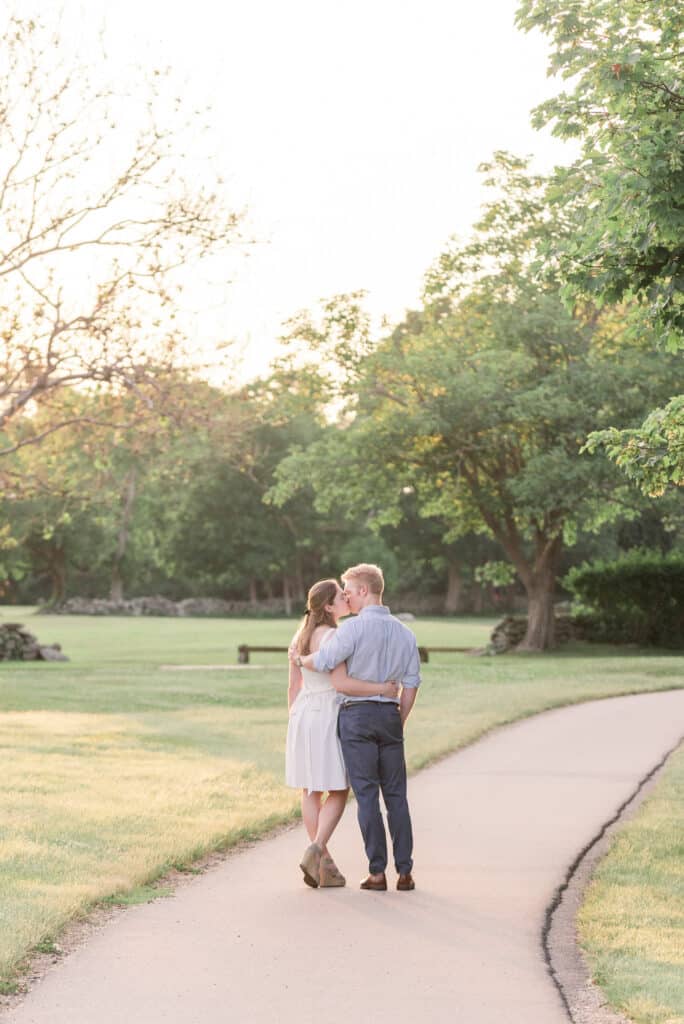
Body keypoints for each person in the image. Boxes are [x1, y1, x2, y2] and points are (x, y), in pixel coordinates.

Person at [296, 563, 421, 892]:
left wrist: (300, 660)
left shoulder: (350, 630)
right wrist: (399, 720)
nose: (347, 596)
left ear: (364, 590)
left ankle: (377, 874)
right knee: (397, 797)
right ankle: (405, 873)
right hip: (390, 717)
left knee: (367, 797)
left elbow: (323, 663)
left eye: (349, 590)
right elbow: (411, 686)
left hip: (356, 718)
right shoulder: (406, 634)